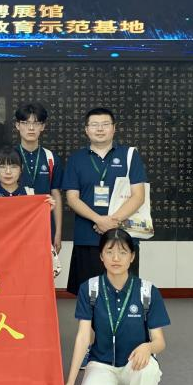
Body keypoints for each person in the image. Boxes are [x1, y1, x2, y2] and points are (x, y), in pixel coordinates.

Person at [62, 229, 169, 385]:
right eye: (109, 252)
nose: (116, 258)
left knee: (149, 369)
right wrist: (70, 383)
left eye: (123, 252)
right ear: (101, 256)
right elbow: (83, 337)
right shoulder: (89, 289)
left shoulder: (147, 291)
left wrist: (148, 346)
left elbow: (160, 341)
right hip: (101, 363)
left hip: (134, 363)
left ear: (132, 256)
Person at [61, 107, 147, 295]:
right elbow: (72, 198)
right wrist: (99, 220)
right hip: (87, 238)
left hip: (123, 237)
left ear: (114, 128)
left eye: (105, 124)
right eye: (94, 125)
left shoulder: (129, 155)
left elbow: (139, 195)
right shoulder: (76, 159)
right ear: (86, 129)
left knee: (124, 294)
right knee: (89, 295)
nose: (100, 129)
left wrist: (112, 222)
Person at [11, 102, 63, 253]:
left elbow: (56, 194)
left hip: (45, 225)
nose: (31, 128)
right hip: (16, 226)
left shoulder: (51, 158)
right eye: (26, 123)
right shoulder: (9, 156)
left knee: (44, 266)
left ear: (43, 126)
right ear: (17, 125)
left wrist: (58, 232)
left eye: (36, 123)